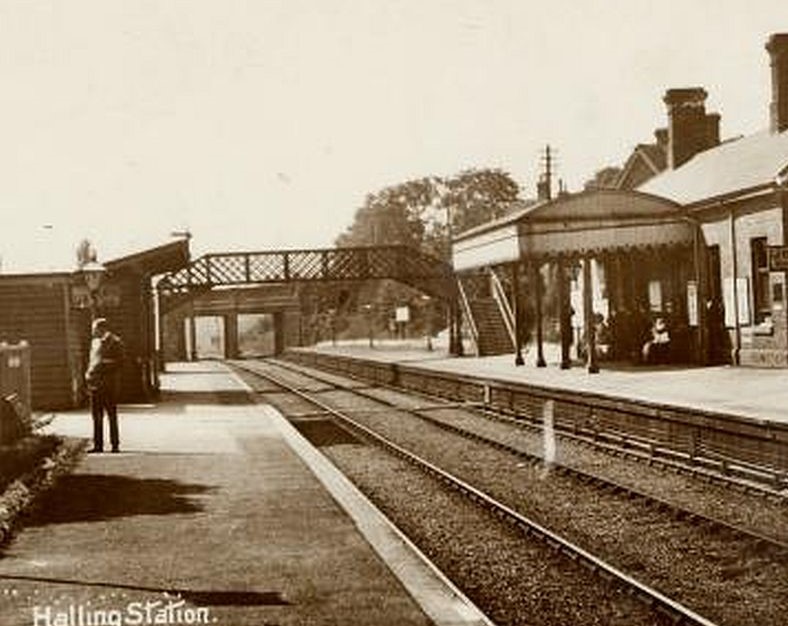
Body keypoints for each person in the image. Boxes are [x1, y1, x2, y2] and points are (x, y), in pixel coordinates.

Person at [85, 318, 124, 453]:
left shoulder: (115, 342)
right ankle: (98, 445)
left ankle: (115, 444)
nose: (92, 331)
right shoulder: (94, 342)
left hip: (108, 384)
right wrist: (88, 373)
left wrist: (102, 365)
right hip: (94, 383)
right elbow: (92, 360)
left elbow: (120, 362)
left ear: (102, 329)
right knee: (96, 415)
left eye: (94, 329)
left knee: (111, 415)